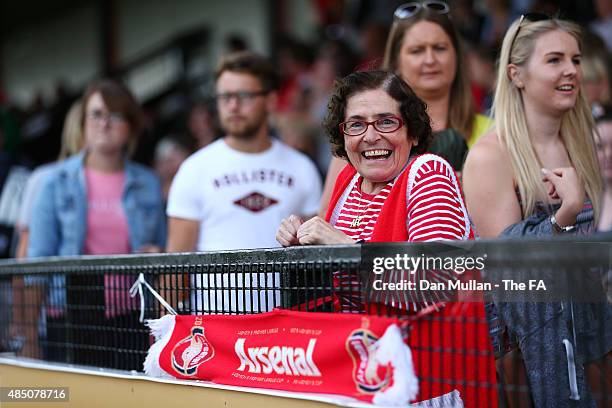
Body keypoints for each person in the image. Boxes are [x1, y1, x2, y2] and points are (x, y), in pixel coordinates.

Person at [277, 70, 497, 406]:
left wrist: (347, 249)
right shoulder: (347, 183)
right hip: (364, 378)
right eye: (356, 124)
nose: (370, 136)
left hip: (430, 382)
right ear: (343, 134)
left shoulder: (428, 173)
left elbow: (436, 286)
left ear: (411, 130)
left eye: (386, 122)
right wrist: (301, 246)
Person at [462, 15, 609, 406]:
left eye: (576, 60)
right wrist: (567, 212)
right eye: (555, 60)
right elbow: (513, 275)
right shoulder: (491, 155)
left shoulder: (583, 144)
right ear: (516, 74)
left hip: (593, 338)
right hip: (531, 359)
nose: (571, 71)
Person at [27, 79, 166, 369]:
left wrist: (156, 253)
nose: (104, 123)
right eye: (96, 114)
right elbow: (37, 263)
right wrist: (29, 335)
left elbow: (167, 252)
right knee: (69, 396)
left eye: (115, 115)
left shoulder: (148, 183)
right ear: (83, 122)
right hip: (70, 314)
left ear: (131, 125)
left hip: (130, 316)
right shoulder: (55, 182)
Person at [166, 51, 321, 312]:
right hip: (212, 332)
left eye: (244, 96)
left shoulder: (302, 168)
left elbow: (316, 258)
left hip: (285, 332)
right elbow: (174, 266)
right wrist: (164, 331)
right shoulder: (194, 168)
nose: (233, 106)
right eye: (225, 96)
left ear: (271, 100)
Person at [319, 1, 490, 217]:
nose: (430, 60)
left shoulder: (494, 133)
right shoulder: (361, 135)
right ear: (397, 61)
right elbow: (329, 215)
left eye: (440, 48)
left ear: (457, 57)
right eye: (417, 50)